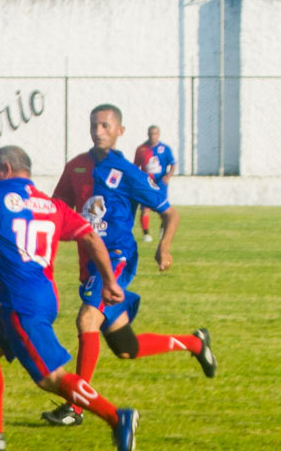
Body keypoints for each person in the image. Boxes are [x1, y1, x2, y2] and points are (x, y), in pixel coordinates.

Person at [0, 145, 139, 451]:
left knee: (50, 378)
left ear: (4, 169)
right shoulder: (52, 206)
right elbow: (91, 237)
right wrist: (111, 282)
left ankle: (117, 417)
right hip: (40, 298)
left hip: (20, 303)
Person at [41, 104, 216, 427]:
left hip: (118, 257)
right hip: (90, 262)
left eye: (106, 126)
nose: (98, 131)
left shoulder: (131, 173)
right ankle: (195, 342)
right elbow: (57, 210)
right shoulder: (76, 167)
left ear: (120, 131)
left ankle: (75, 407)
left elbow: (170, 213)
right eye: (94, 125)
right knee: (126, 347)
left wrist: (163, 247)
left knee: (87, 318)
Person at [133, 125, 176, 242]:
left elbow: (173, 164)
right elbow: (135, 167)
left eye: (155, 133)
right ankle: (146, 234)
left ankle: (163, 229)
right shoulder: (141, 149)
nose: (153, 136)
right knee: (145, 208)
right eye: (151, 134)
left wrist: (168, 176)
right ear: (147, 134)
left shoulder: (165, 149)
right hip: (146, 184)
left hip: (161, 183)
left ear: (159, 134)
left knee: (163, 209)